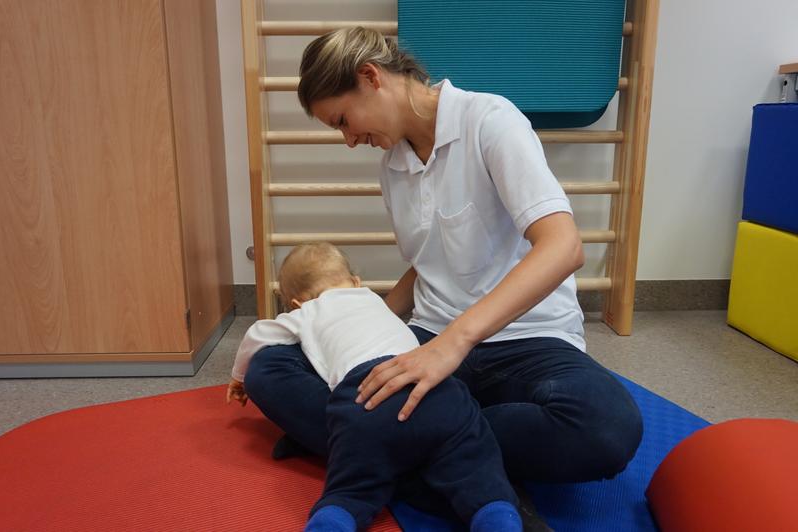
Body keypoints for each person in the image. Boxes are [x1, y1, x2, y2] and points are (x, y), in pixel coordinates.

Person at [243, 26, 643, 521]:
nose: (349, 140)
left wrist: (453, 343)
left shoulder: (491, 121)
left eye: (343, 120)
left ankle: (381, 448)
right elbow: (432, 258)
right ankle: (449, 456)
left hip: (529, 341)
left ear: (371, 77)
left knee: (606, 429)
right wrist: (371, 320)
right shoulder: (392, 166)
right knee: (267, 367)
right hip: (424, 339)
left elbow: (563, 246)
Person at [227, 243, 522, 532]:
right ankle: (495, 512)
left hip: (367, 400)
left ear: (296, 303)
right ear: (356, 282)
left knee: (352, 488)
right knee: (474, 460)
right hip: (432, 387)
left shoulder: (307, 311)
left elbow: (258, 334)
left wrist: (239, 377)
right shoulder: (371, 299)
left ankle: (334, 520)